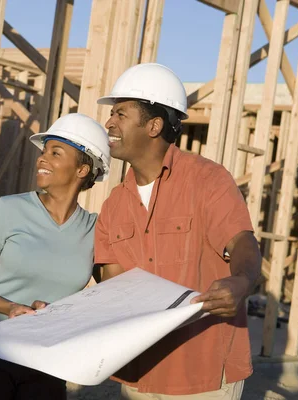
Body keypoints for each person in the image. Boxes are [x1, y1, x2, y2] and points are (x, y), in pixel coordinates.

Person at [94, 63, 262, 399]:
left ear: (154, 125)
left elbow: (242, 241)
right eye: (111, 114)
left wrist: (241, 282)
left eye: (121, 114)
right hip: (139, 374)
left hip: (203, 373)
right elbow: (115, 285)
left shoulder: (207, 180)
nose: (109, 123)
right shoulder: (114, 204)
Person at [0, 113, 110, 400]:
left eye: (56, 152)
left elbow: (111, 297)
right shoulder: (8, 209)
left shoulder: (95, 229)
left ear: (82, 169)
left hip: (46, 359)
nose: (42, 158)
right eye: (43, 152)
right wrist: (10, 308)